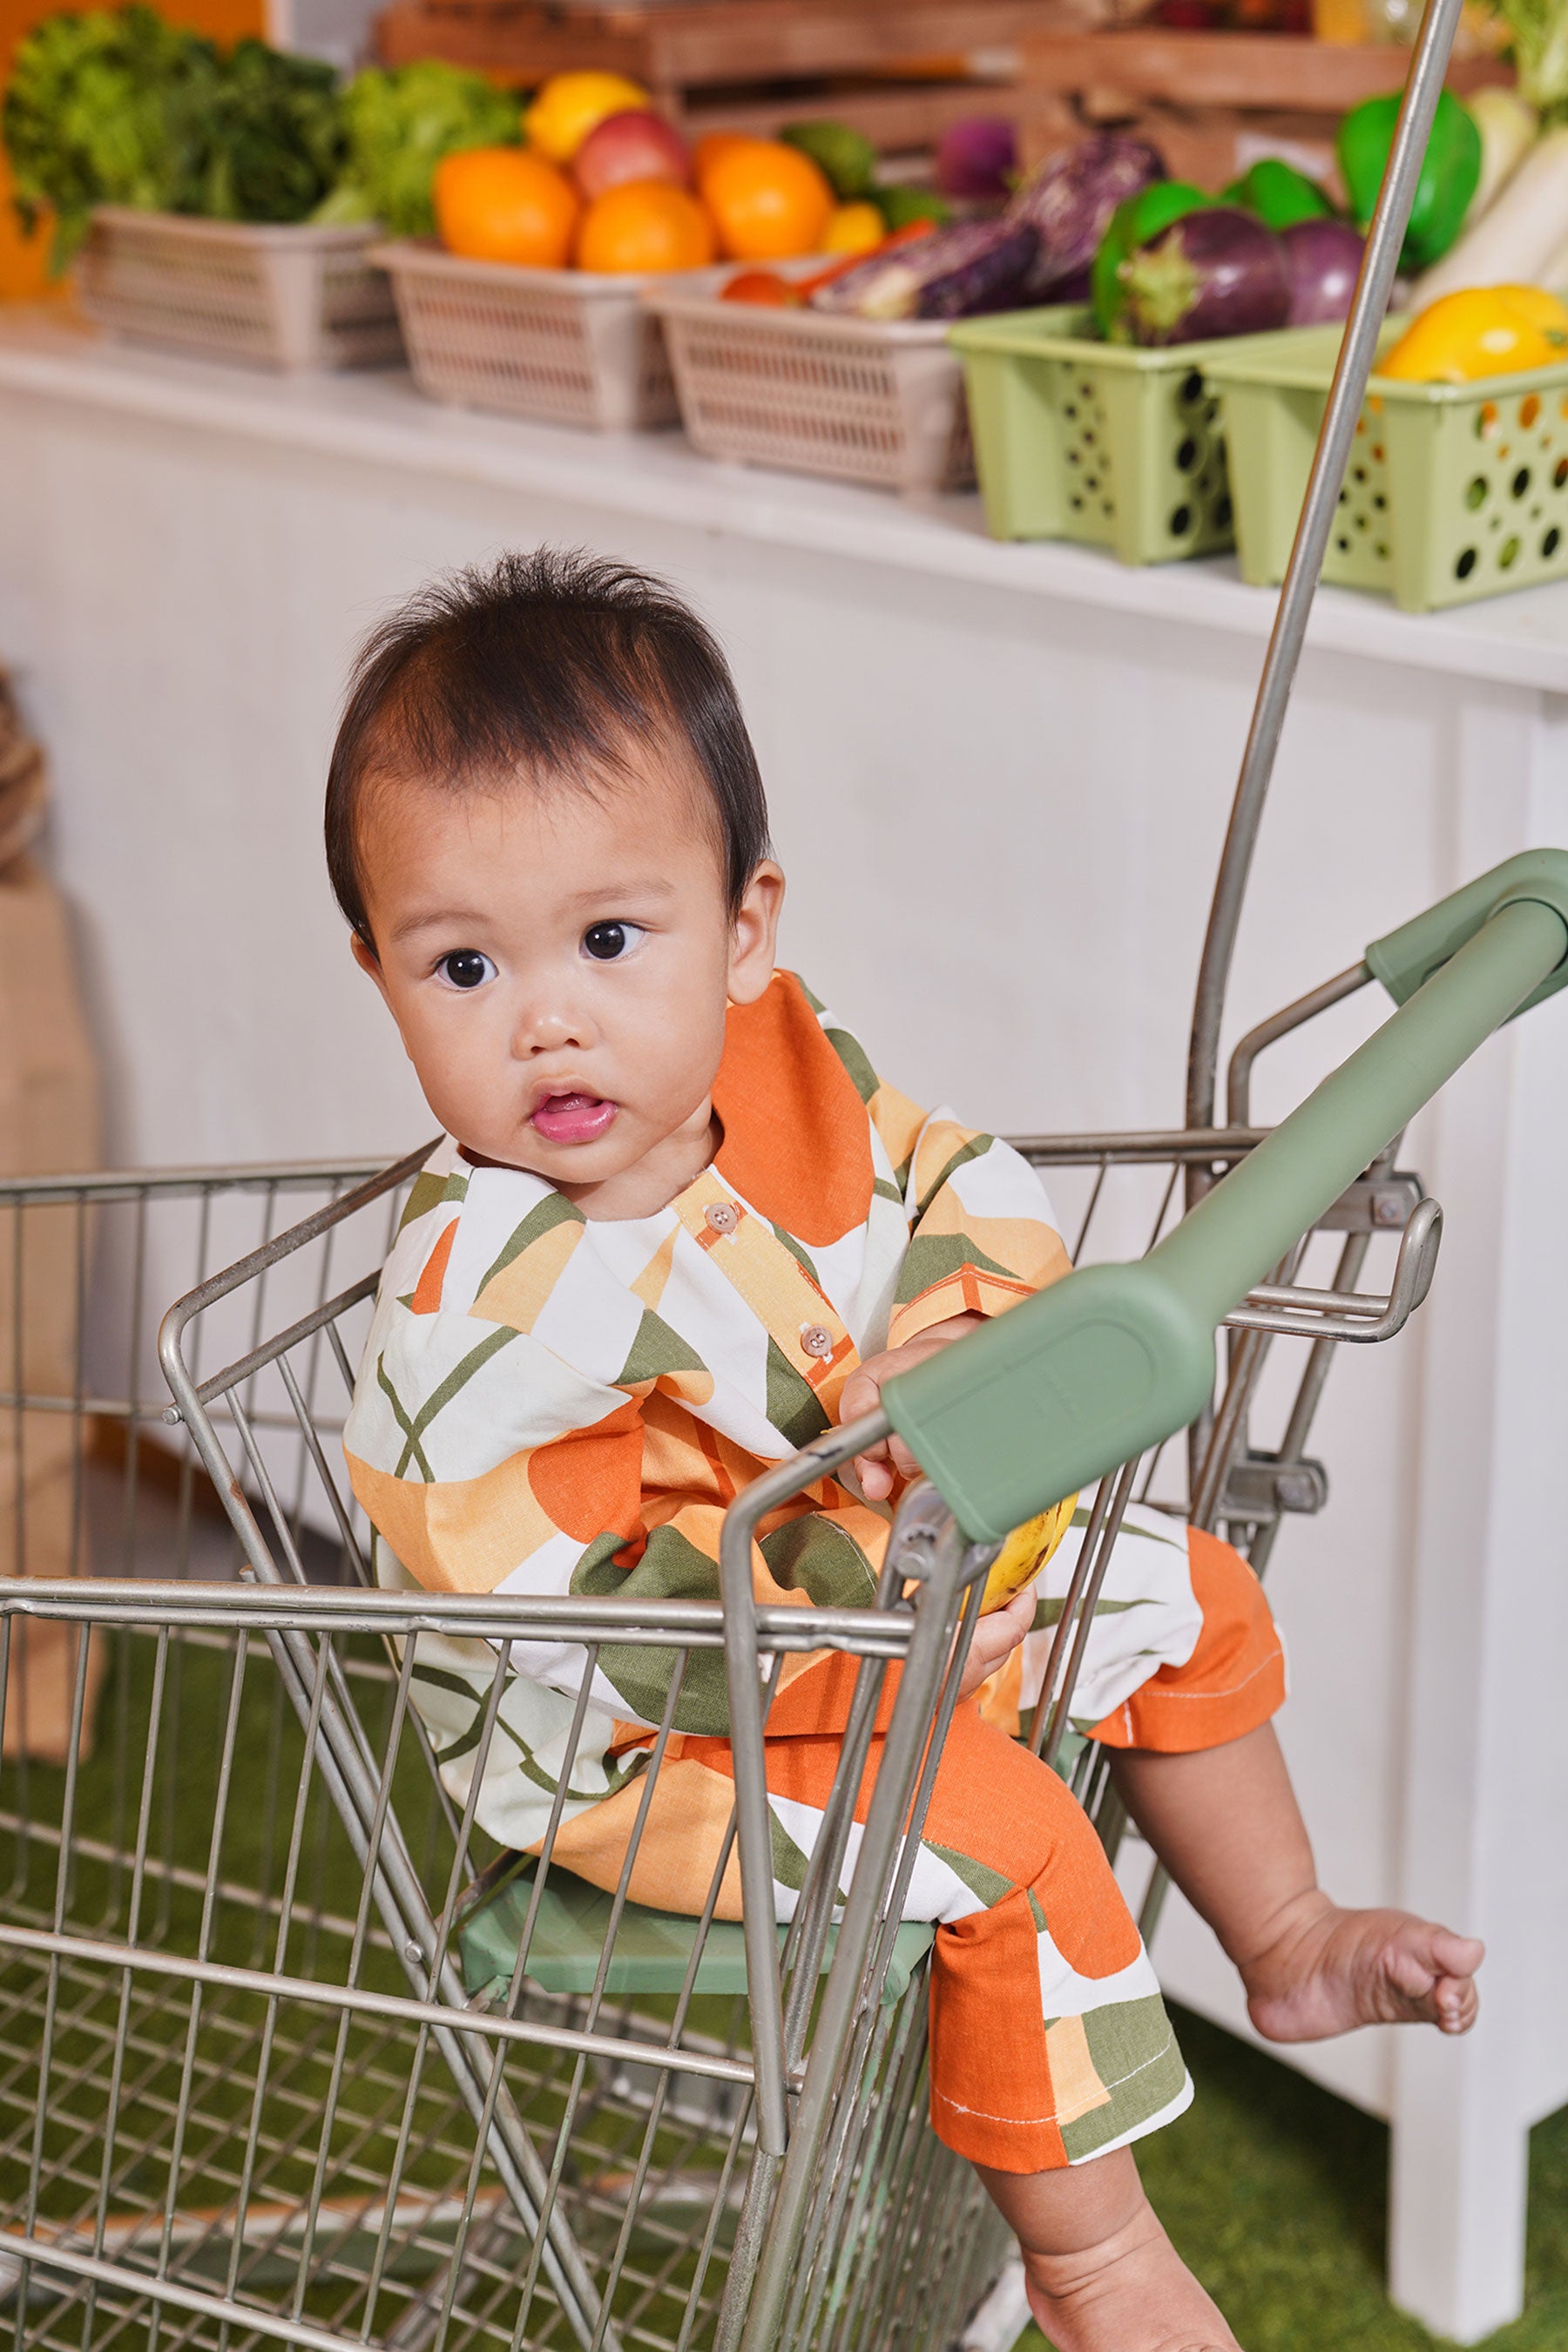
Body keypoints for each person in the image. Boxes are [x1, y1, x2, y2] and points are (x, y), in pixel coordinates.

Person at [331, 549, 1482, 2352]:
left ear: (746, 930)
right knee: (1009, 1831)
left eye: (611, 940)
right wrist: (870, 1586)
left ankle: (1289, 1932)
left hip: (877, 1604)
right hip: (636, 1732)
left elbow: (969, 1185)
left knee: (1182, 1586)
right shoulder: (474, 1313)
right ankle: (1096, 2260)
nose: (546, 1016)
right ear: (380, 977)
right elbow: (585, 1608)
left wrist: (943, 1337)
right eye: (463, 962)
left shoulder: (801, 1089)